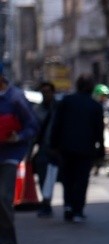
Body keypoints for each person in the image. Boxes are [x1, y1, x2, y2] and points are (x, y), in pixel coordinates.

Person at [49, 74, 105, 223]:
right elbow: (99, 131)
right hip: (85, 149)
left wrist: (53, 145)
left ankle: (68, 206)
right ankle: (78, 210)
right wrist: (101, 150)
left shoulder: (67, 101)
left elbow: (56, 125)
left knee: (68, 179)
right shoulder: (95, 106)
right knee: (81, 180)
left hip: (66, 148)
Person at [0, 72, 39, 244]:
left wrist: (18, 136)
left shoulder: (15, 98)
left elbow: (32, 126)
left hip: (9, 156)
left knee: (4, 199)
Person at [31, 81, 59, 217]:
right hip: (44, 148)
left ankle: (70, 206)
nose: (46, 94)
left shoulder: (60, 108)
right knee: (43, 176)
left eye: (48, 91)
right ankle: (46, 203)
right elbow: (32, 132)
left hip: (59, 148)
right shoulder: (37, 110)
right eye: (43, 91)